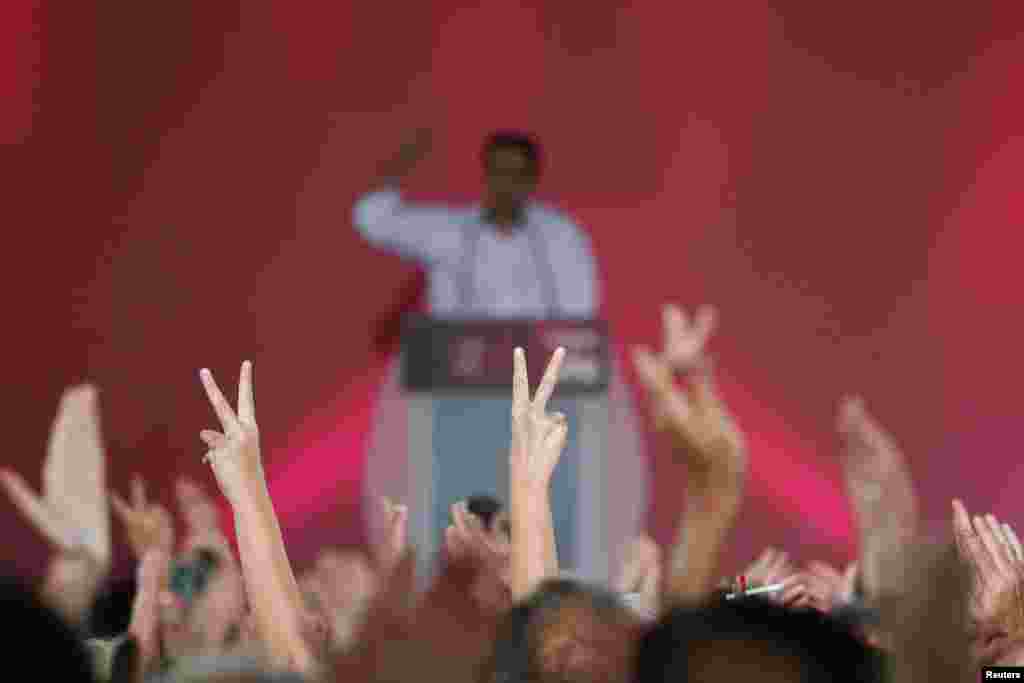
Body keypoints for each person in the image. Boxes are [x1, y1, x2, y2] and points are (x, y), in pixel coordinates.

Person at [352, 129, 599, 319]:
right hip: (459, 372)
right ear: (485, 174)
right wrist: (398, 168)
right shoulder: (447, 231)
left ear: (532, 180)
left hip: (539, 374)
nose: (506, 184)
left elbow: (581, 312)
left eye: (516, 175)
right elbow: (372, 221)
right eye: (498, 172)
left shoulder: (561, 235)